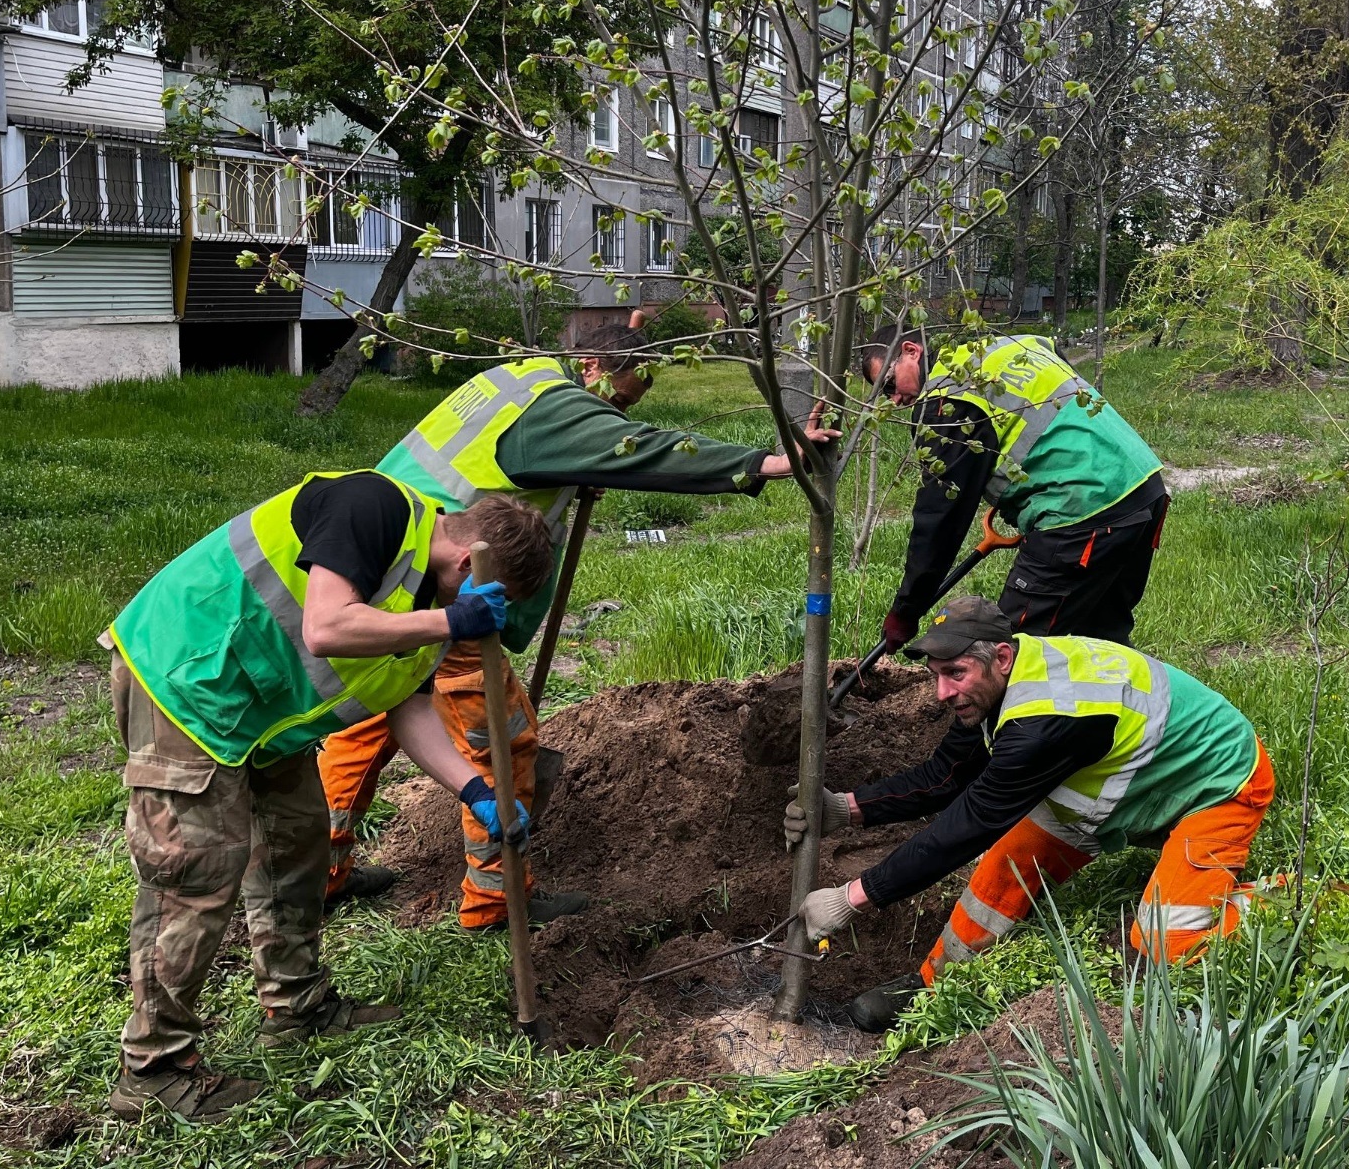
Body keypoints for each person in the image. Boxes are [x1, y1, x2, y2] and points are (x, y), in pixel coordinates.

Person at [319, 321, 840, 927]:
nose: (617, 416)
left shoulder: (524, 381)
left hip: (390, 566)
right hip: (444, 586)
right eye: (618, 400)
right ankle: (494, 900)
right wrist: (768, 462)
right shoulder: (554, 416)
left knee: (370, 726)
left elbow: (567, 449)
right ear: (591, 365)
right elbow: (643, 449)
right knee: (503, 741)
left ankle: (322, 870)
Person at [102, 473, 554, 1120]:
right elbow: (326, 625)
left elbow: (409, 710)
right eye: (488, 599)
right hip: (185, 675)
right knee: (195, 876)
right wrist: (451, 617)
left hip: (261, 711)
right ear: (466, 561)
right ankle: (152, 1071)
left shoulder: (432, 602)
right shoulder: (373, 505)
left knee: (299, 840)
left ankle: (296, 1005)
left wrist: (477, 788)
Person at [789, 596, 1273, 1032]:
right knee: (1000, 873)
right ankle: (933, 987)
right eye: (936, 675)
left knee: (1166, 947)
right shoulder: (999, 682)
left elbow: (970, 823)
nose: (941, 692)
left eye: (954, 673)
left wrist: (853, 897)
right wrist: (845, 809)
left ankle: (1286, 901)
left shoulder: (1043, 724)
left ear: (1000, 657)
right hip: (1123, 778)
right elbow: (946, 776)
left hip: (1215, 780)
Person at [859, 331, 1167, 651]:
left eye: (889, 384)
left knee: (1011, 655)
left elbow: (941, 517)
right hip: (1144, 485)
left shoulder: (946, 404)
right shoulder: (1009, 344)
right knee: (1101, 641)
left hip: (1083, 511)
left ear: (912, 352)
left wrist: (907, 610)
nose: (893, 399)